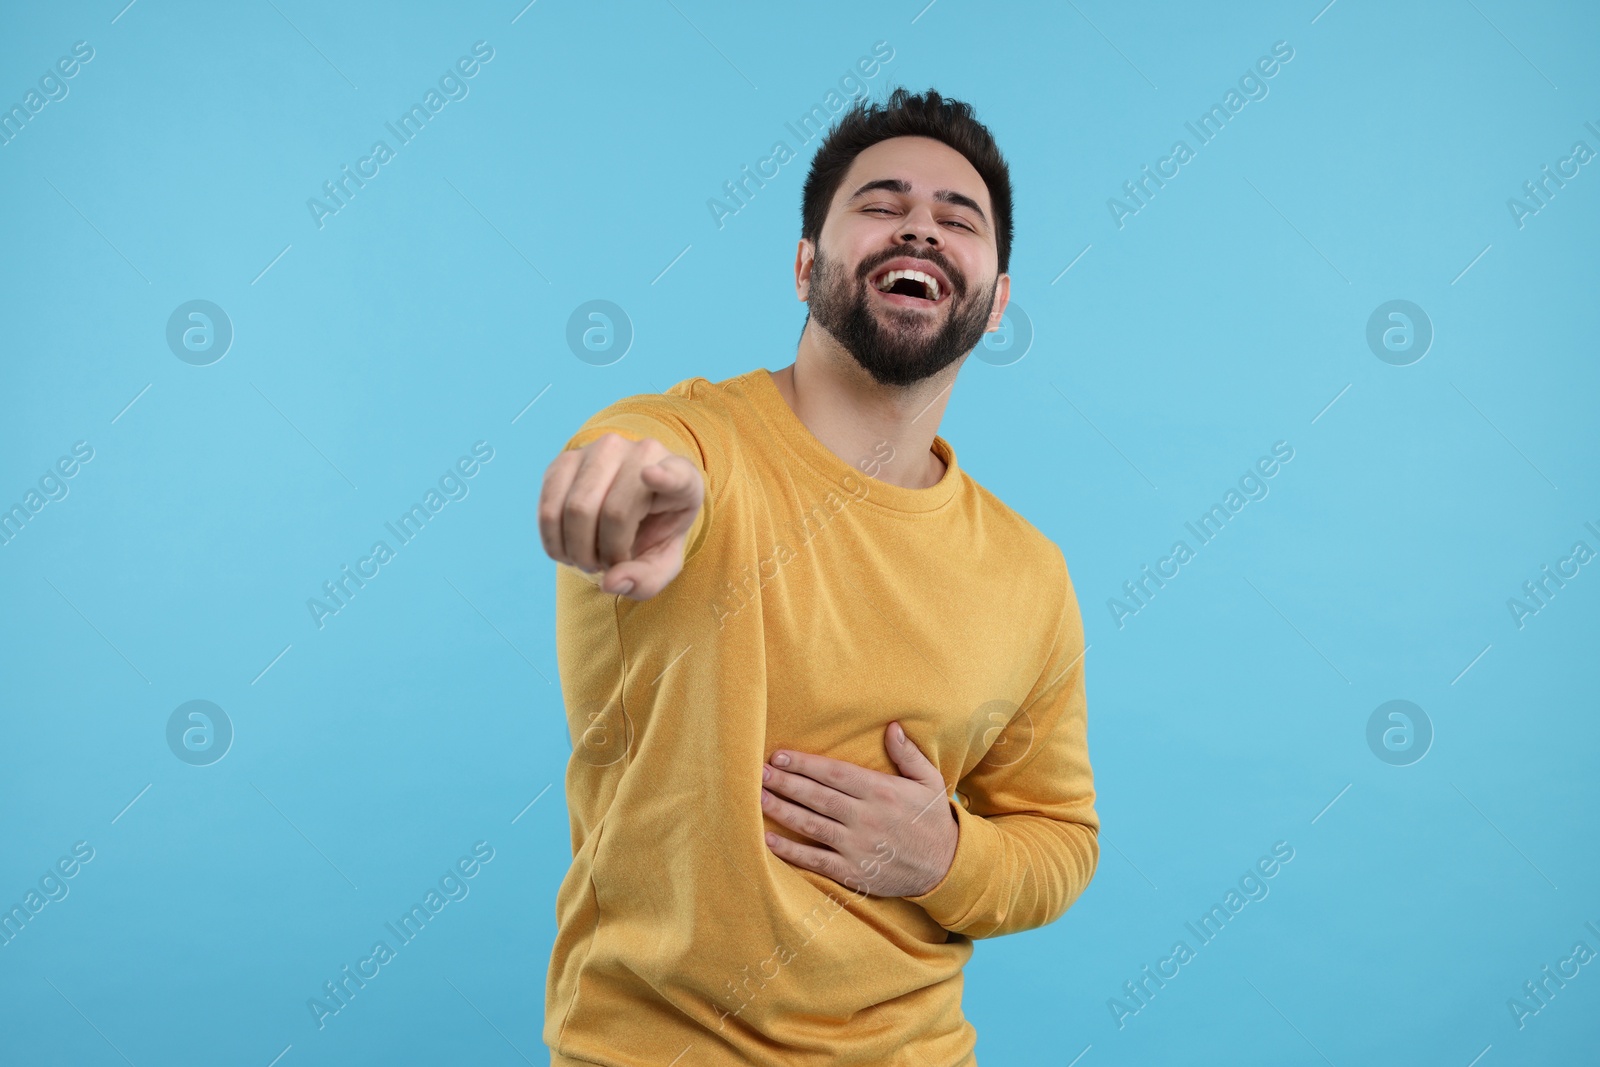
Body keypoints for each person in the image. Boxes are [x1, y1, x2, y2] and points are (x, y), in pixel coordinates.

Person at [539, 86, 1098, 1067]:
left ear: (997, 298)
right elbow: (636, 456)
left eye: (956, 217)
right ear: (805, 266)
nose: (920, 225)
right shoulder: (691, 445)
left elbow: (1059, 838)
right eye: (880, 203)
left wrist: (948, 856)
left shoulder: (1030, 572)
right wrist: (623, 487)